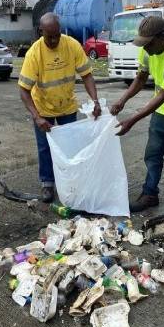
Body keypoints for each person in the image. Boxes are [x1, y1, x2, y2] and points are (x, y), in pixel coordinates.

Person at [111, 16, 164, 217]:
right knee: (152, 156)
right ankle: (150, 194)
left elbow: (162, 96)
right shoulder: (148, 51)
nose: (145, 48)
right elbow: (141, 78)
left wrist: (131, 120)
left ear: (161, 37)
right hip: (161, 114)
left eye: (148, 43)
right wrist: (122, 99)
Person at [18, 12, 101, 203]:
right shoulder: (34, 53)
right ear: (41, 32)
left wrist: (95, 101)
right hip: (43, 108)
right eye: (49, 36)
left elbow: (87, 75)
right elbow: (23, 90)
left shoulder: (71, 45)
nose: (54, 40)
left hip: (67, 106)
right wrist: (37, 117)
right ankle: (48, 183)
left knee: (69, 147)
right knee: (45, 148)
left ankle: (70, 182)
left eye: (57, 35)